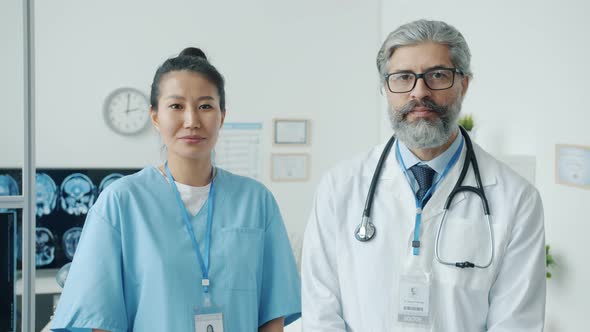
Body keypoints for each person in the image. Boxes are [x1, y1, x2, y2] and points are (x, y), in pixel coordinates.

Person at [301, 19, 546, 331]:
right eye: (403, 78)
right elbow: (320, 310)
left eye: (437, 75)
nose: (419, 92)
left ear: (464, 84)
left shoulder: (516, 198)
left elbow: (516, 323)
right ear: (385, 89)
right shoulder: (340, 187)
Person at [52, 47, 301, 331]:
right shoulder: (121, 202)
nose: (192, 120)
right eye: (176, 106)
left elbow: (273, 316)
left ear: (222, 116)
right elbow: (100, 320)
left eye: (205, 106)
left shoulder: (256, 201)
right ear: (155, 116)